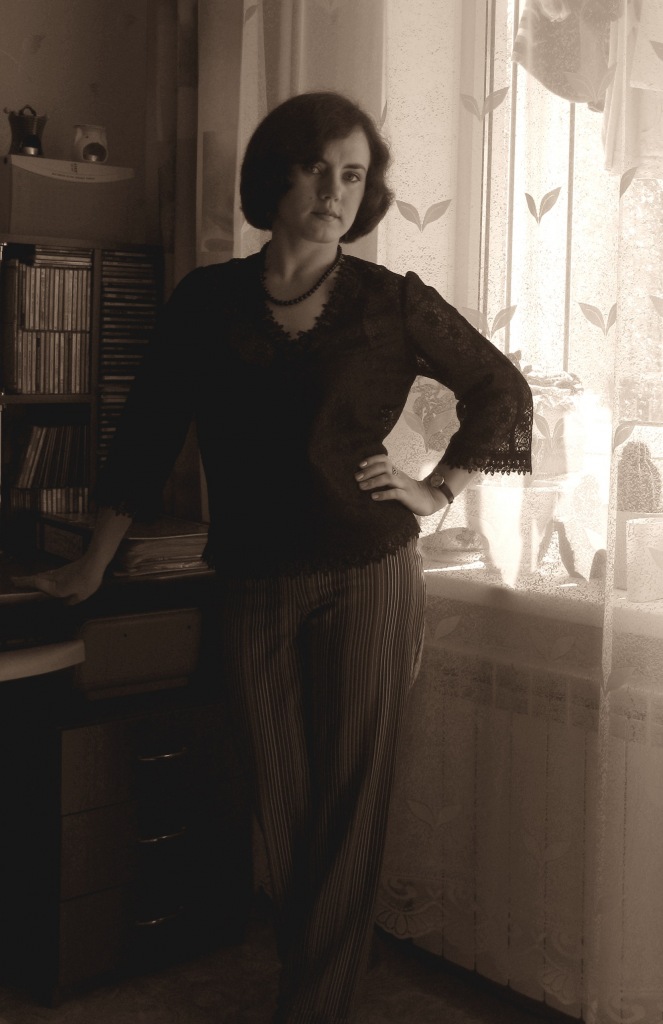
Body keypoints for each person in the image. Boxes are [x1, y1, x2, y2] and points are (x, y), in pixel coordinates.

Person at [20, 91, 533, 1024]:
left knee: (352, 801)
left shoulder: (390, 301)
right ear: (275, 176)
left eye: (354, 176)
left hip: (369, 573)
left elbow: (500, 388)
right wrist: (94, 563)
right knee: (283, 803)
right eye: (317, 169)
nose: (336, 192)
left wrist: (436, 488)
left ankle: (313, 1005)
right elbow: (148, 431)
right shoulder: (206, 301)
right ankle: (318, 985)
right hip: (254, 577)